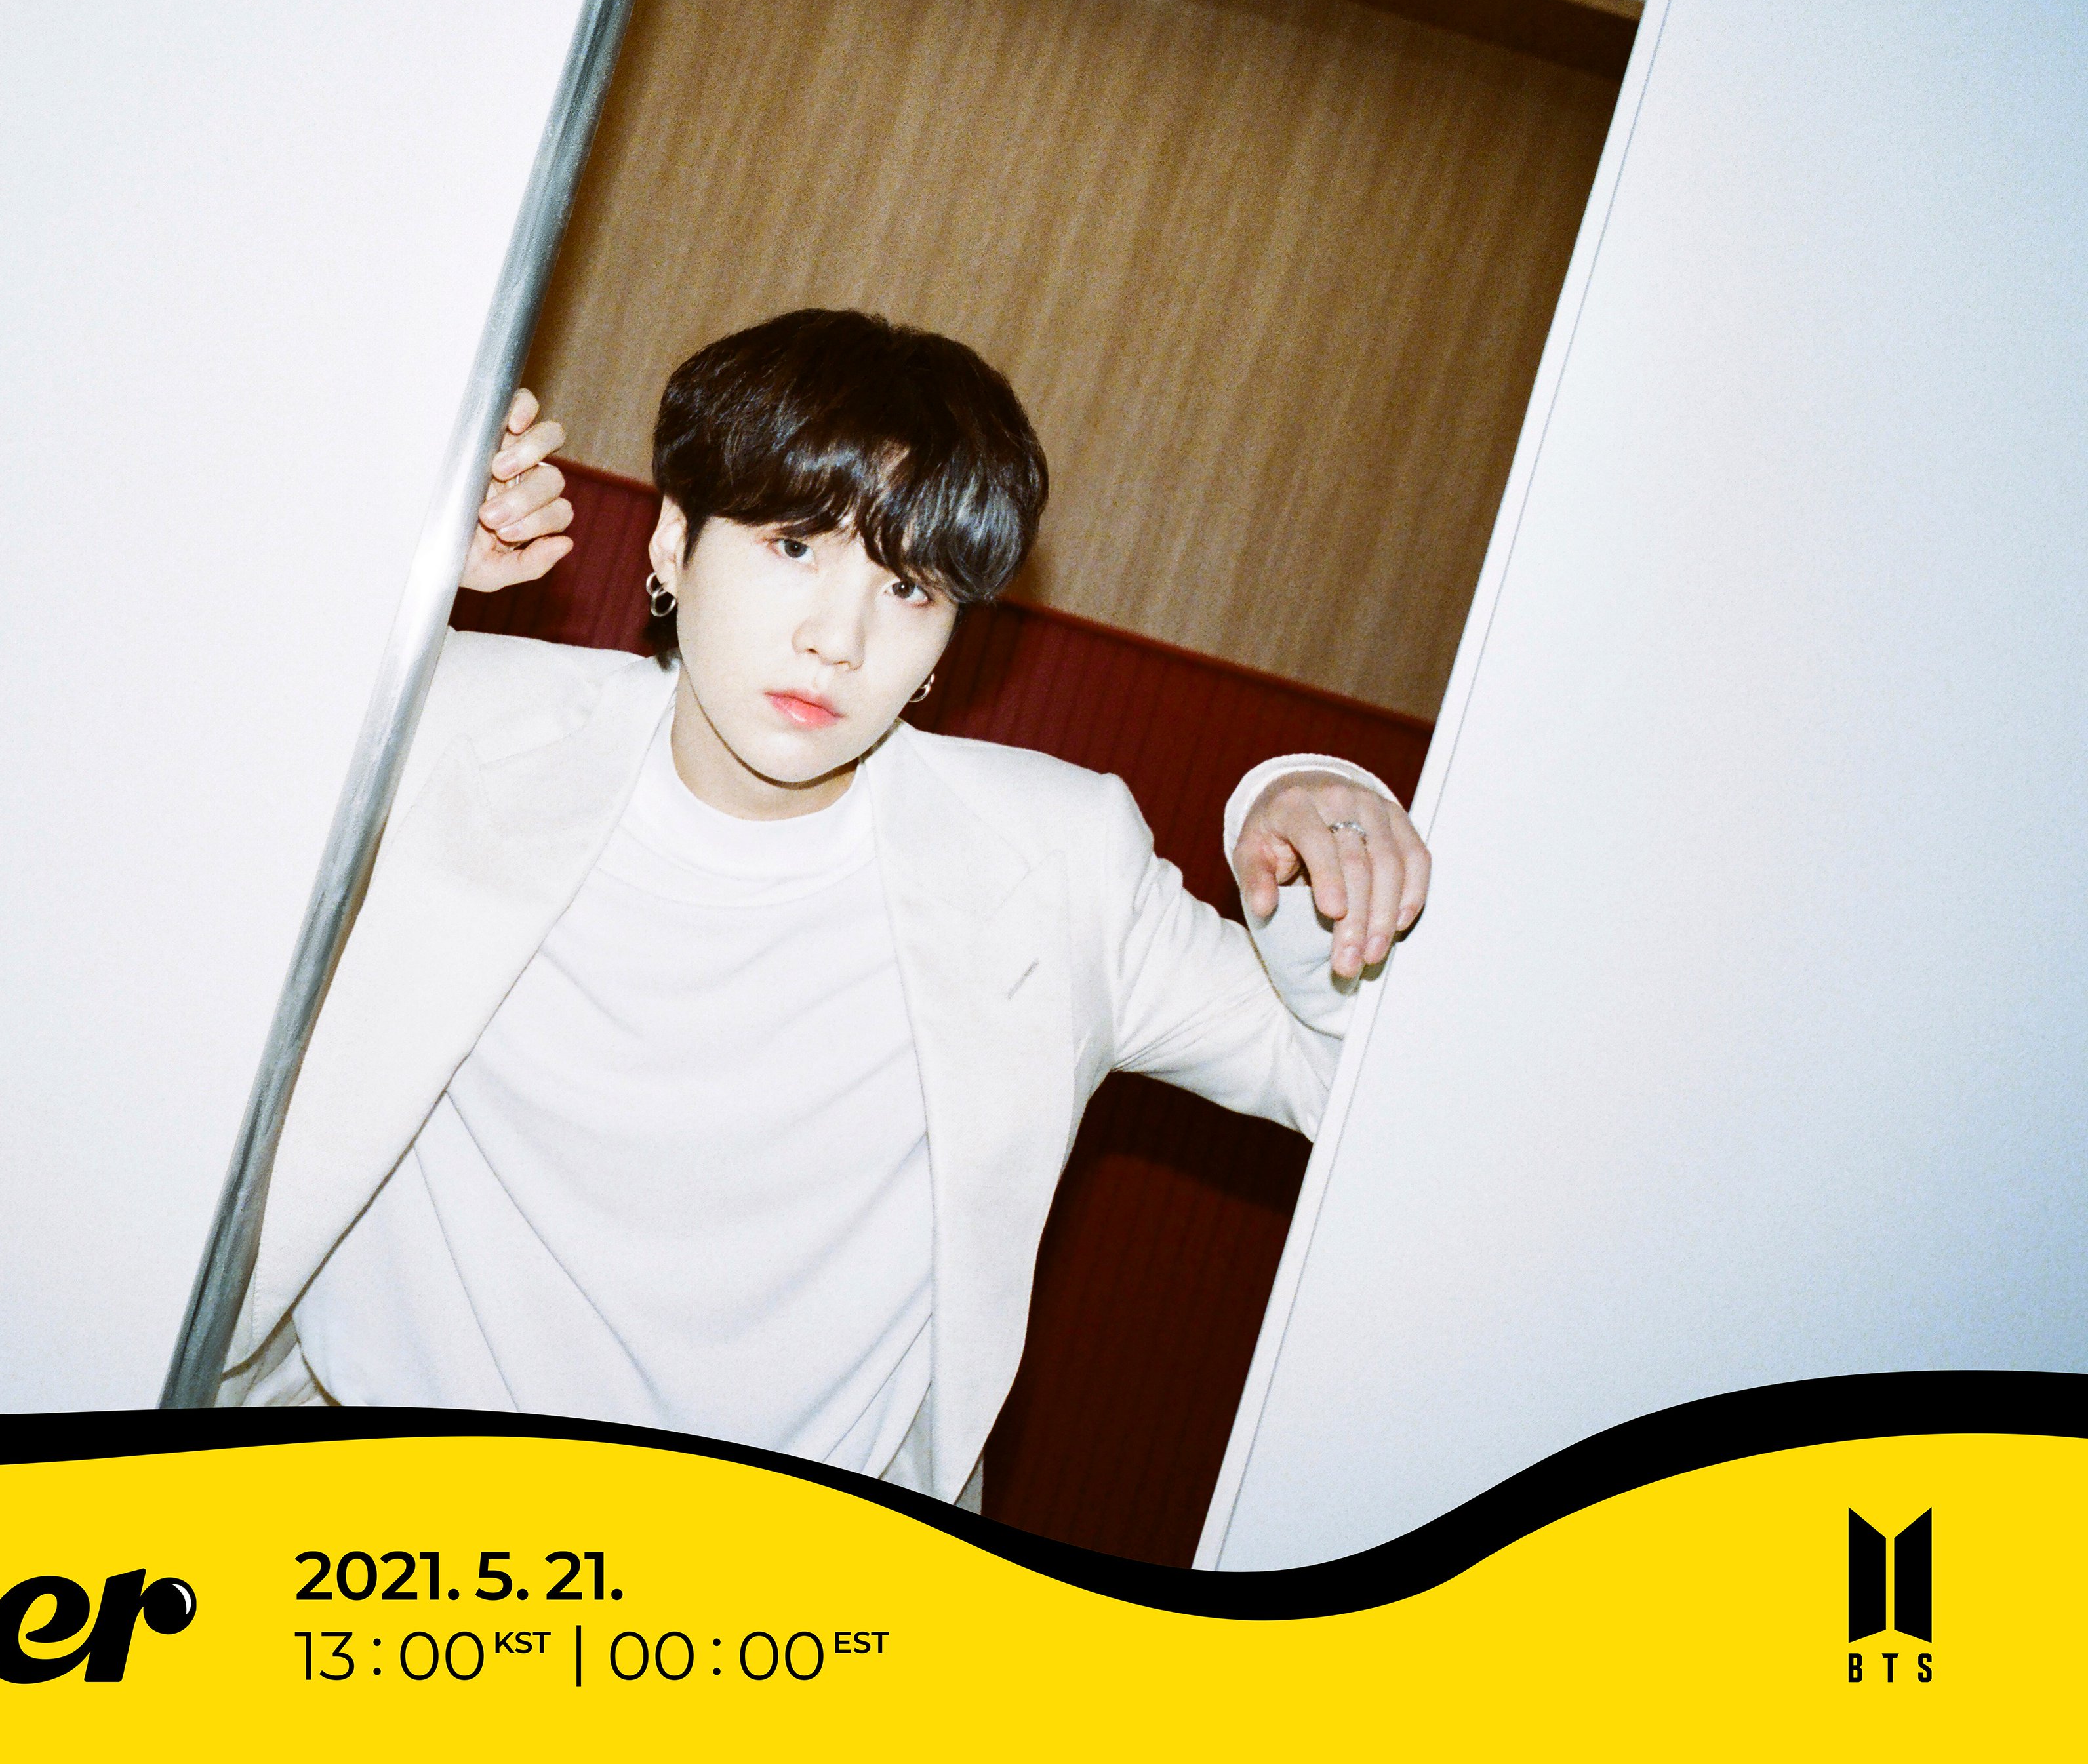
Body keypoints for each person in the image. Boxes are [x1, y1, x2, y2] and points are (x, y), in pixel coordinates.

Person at [218, 310, 1429, 1510]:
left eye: (907, 587)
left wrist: (1309, 833)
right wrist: (382, 575)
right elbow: (160, 786)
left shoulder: (1055, 863)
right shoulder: (446, 722)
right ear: (674, 542)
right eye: (795, 546)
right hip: (382, 1525)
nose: (837, 640)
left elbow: (1356, 1089)